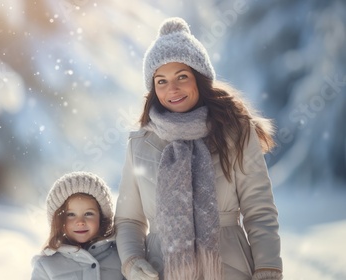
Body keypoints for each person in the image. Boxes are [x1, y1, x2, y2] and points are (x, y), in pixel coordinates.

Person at [115, 17, 283, 280]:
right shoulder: (140, 145)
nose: (173, 88)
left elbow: (258, 210)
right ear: (153, 88)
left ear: (200, 79)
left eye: (182, 76)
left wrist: (268, 268)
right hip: (163, 271)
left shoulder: (236, 132)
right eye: (161, 80)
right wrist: (132, 261)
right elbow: (129, 220)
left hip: (230, 270)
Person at [31, 171, 124, 280]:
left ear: (102, 217)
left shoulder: (119, 255)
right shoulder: (46, 265)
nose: (80, 222)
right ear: (58, 221)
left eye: (88, 214)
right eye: (71, 214)